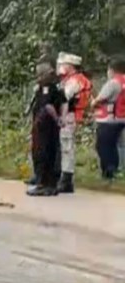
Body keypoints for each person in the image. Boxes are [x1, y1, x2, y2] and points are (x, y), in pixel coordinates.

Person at [26, 62, 66, 196]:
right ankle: (51, 185)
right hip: (51, 127)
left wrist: (56, 119)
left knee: (41, 153)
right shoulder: (57, 87)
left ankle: (43, 184)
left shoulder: (47, 88)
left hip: (44, 126)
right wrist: (62, 119)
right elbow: (64, 102)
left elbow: (48, 106)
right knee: (52, 153)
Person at [55, 52, 91, 193]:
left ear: (70, 66)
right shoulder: (68, 80)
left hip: (69, 116)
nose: (60, 67)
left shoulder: (75, 81)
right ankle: (61, 176)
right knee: (62, 146)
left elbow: (64, 97)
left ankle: (66, 180)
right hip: (66, 115)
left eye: (62, 64)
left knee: (66, 147)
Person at [91, 59, 125, 181]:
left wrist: (93, 103)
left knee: (103, 145)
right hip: (121, 118)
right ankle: (117, 170)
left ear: (111, 70)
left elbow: (101, 98)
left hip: (109, 119)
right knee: (117, 145)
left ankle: (109, 171)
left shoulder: (113, 83)